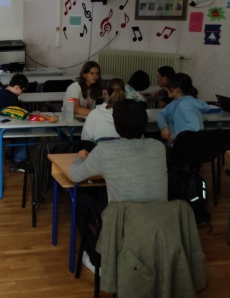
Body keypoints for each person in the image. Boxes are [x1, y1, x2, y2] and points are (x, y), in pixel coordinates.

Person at [70, 100, 168, 271]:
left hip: (123, 220)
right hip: (158, 220)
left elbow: (74, 175)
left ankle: (97, 260)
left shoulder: (104, 150)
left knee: (80, 201)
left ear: (115, 126)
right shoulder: (159, 147)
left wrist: (79, 157)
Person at [0, 73, 29, 166]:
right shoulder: (12, 98)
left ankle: (10, 154)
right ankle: (18, 159)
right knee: (26, 131)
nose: (22, 93)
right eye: (22, 91)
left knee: (17, 129)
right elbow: (16, 117)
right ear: (17, 87)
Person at [156, 73, 209, 144]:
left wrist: (174, 136)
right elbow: (161, 114)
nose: (166, 89)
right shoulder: (176, 102)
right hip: (180, 142)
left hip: (186, 144)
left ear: (178, 89)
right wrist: (164, 127)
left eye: (169, 86)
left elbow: (194, 127)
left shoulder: (184, 104)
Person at [81, 78, 126, 143]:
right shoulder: (132, 114)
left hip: (99, 149)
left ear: (106, 92)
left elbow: (85, 141)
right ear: (124, 92)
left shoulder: (94, 114)